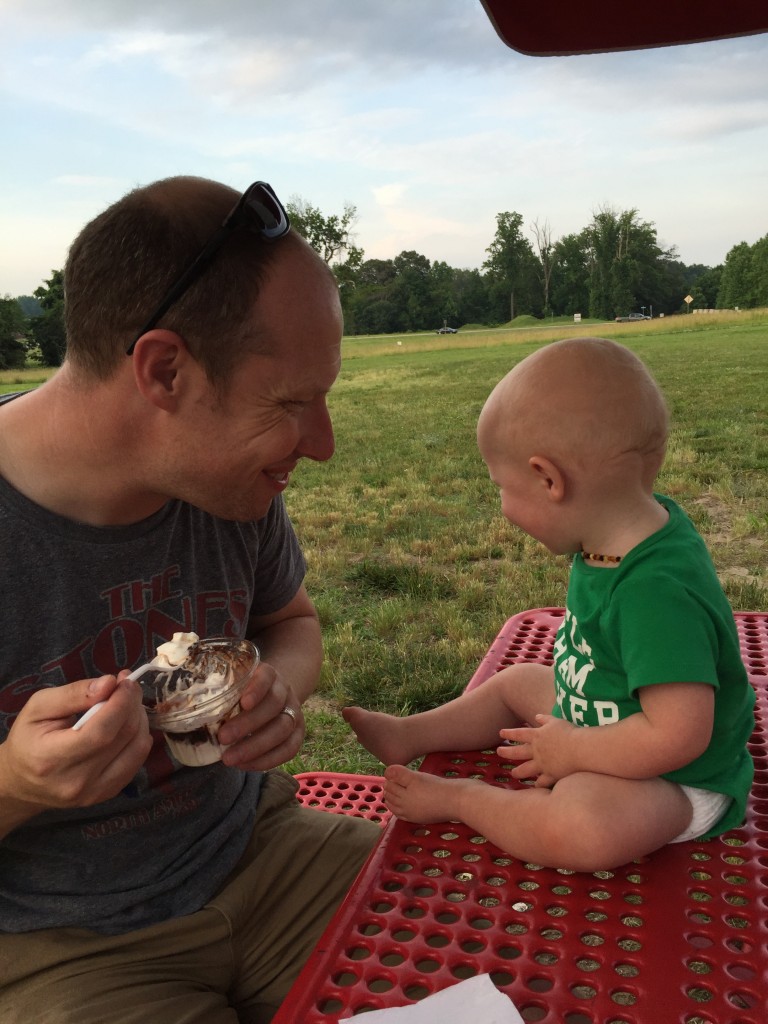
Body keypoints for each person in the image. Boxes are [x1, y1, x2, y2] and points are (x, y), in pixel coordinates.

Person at [0, 176, 380, 1024]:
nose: (322, 445)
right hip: (61, 949)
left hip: (265, 853)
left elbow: (291, 623)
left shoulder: (229, 484)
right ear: (164, 370)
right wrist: (17, 784)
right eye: (290, 403)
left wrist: (281, 688)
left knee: (490, 949)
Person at [345, 337, 755, 872]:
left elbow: (679, 736)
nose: (502, 504)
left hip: (673, 776)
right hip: (605, 712)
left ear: (548, 479)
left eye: (502, 487)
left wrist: (572, 751)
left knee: (582, 826)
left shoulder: (656, 592)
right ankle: (410, 734)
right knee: (516, 682)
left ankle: (462, 800)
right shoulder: (614, 535)